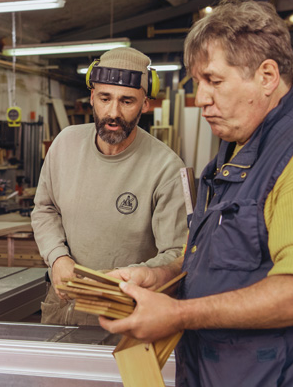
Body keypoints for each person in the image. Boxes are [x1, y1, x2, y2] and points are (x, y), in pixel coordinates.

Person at [99, 0, 293, 386]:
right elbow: (227, 259)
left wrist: (179, 314)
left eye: (213, 81)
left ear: (266, 76)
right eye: (197, 82)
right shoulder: (238, 150)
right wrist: (161, 276)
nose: (201, 99)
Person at [32, 47, 188, 326]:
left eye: (127, 101)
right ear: (92, 97)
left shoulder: (166, 168)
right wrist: (57, 259)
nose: (113, 112)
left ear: (145, 104)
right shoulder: (65, 144)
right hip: (61, 310)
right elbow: (44, 209)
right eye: (105, 98)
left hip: (125, 319)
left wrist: (122, 277)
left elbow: (176, 254)